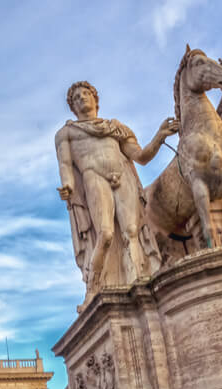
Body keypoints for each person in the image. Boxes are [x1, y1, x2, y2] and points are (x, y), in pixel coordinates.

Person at [55, 80, 176, 307]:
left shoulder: (115, 127)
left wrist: (160, 136)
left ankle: (139, 283)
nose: (81, 98)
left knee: (131, 231)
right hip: (93, 176)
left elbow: (140, 156)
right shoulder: (66, 133)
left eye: (85, 94)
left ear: (95, 99)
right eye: (76, 98)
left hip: (123, 175)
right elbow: (65, 164)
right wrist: (68, 186)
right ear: (72, 107)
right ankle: (93, 289)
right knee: (106, 233)